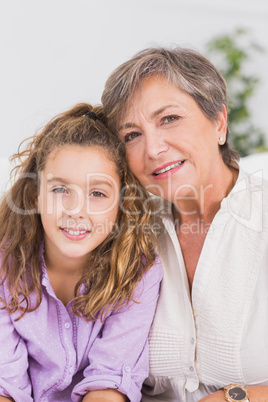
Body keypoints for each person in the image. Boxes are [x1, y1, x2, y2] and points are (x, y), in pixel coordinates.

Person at [101, 47, 268, 401]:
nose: (153, 148)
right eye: (132, 135)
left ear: (219, 122)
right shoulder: (122, 232)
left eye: (169, 119)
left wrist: (236, 397)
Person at [0, 103, 162, 402]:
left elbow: (109, 383)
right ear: (35, 196)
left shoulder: (138, 271)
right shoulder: (5, 267)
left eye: (97, 193)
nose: (76, 210)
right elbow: (4, 385)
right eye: (60, 190)